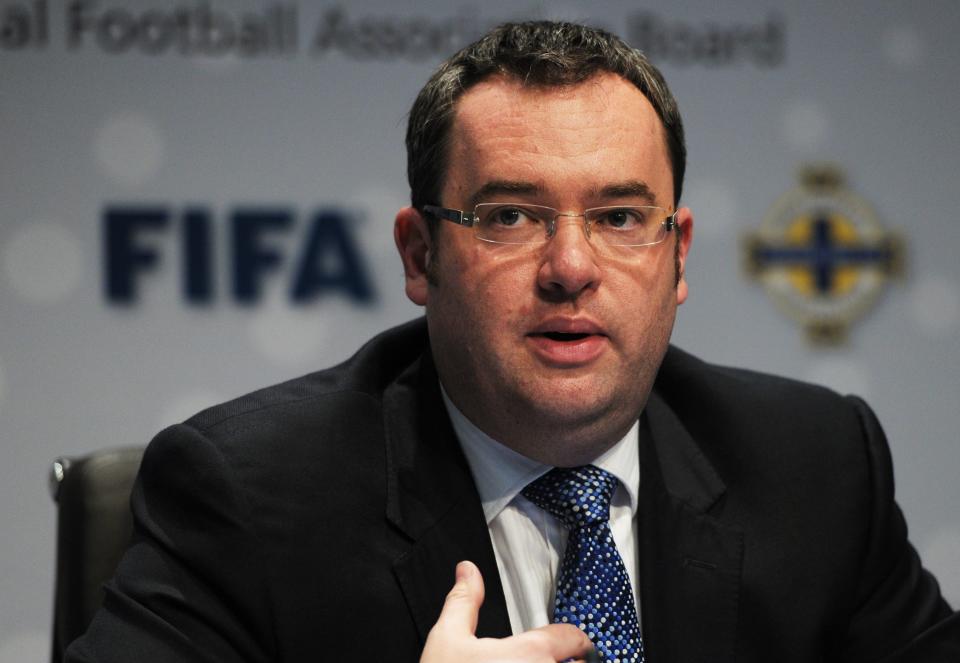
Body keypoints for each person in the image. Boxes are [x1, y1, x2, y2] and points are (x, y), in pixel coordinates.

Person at [67, 21, 959, 663]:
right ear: (422, 256)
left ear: (676, 254)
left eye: (617, 216)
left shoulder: (817, 465)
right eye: (509, 216)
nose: (570, 266)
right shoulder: (249, 499)